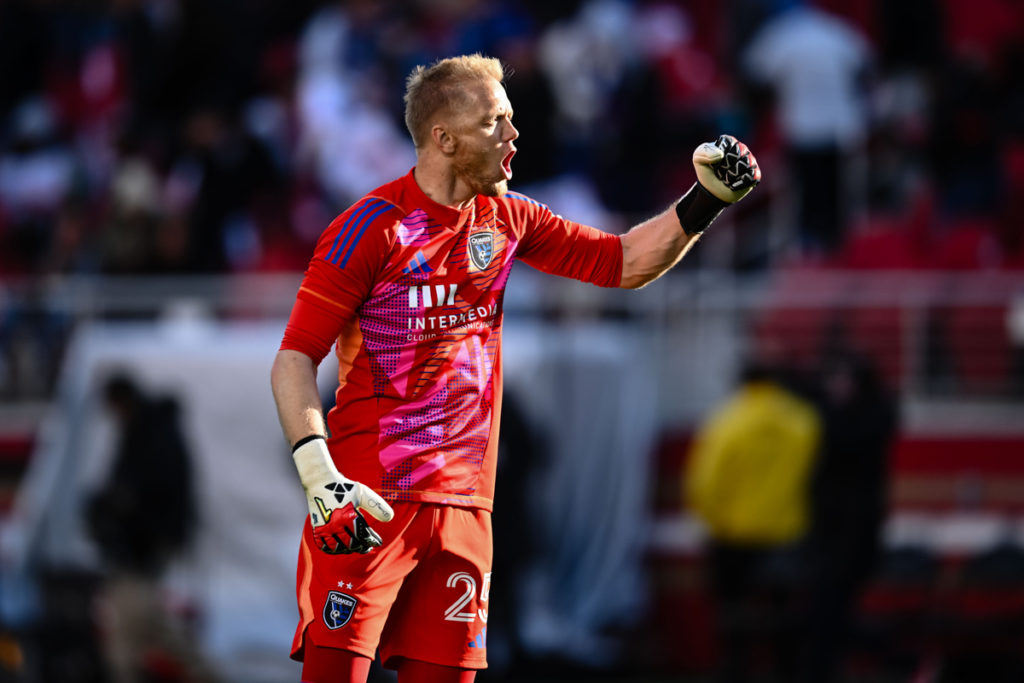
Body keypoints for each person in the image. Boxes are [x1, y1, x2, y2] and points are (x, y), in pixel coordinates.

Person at [270, 53, 760, 683]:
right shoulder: (369, 230)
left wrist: (705, 201)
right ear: (444, 139)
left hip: (468, 508)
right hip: (368, 501)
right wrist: (320, 477)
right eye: (495, 122)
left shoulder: (509, 218)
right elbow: (293, 361)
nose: (514, 135)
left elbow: (624, 263)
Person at [684, 359, 822, 683]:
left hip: (733, 532)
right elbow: (816, 475)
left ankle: (735, 667)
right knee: (784, 610)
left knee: (732, 610)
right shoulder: (804, 420)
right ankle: (787, 669)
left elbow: (704, 481)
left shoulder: (726, 420)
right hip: (788, 530)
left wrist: (713, 521)